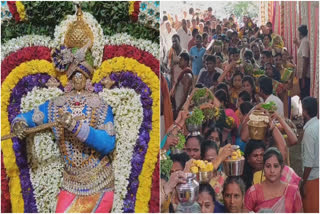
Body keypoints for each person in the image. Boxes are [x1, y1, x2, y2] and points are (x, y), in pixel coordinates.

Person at [12, 29, 116, 212]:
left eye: (81, 74)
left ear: (88, 76)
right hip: (70, 183)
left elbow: (108, 143)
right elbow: (29, 117)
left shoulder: (99, 105)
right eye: (74, 74)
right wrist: (19, 124)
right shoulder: (56, 105)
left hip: (99, 181)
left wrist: (77, 127)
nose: (77, 78)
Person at [245, 147, 303, 213]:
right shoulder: (253, 192)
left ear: (281, 168)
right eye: (268, 166)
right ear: (263, 168)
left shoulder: (293, 191)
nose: (272, 170)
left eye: (276, 166)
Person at [300, 97, 319, 212]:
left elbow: (308, 163)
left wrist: (303, 182)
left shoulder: (309, 131)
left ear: (305, 111)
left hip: (313, 178)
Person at [169, 52, 193, 119]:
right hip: (178, 106)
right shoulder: (183, 74)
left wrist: (179, 108)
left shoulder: (187, 76)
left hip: (181, 107)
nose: (179, 61)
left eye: (181, 60)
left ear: (186, 62)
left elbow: (185, 95)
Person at [294, 25, 310, 100]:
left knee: (304, 95)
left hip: (305, 76)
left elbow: (305, 59)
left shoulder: (305, 41)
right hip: (303, 75)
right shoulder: (303, 41)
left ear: (300, 33)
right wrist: (297, 43)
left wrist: (303, 77)